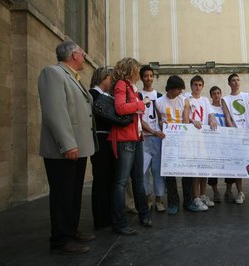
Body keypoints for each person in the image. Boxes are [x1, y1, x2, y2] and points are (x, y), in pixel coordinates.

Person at [38, 41, 97, 255]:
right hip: (64, 149)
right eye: (82, 53)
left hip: (78, 148)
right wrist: (68, 143)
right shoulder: (53, 73)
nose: (84, 56)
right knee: (63, 195)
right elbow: (55, 112)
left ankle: (71, 231)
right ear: (73, 55)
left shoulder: (73, 76)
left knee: (73, 193)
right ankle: (61, 240)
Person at [108, 57, 152, 236]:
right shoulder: (121, 85)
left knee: (139, 180)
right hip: (125, 139)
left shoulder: (132, 88)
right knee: (120, 182)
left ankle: (144, 214)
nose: (139, 73)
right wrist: (142, 104)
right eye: (136, 69)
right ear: (130, 70)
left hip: (137, 137)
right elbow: (120, 108)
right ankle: (119, 222)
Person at [155, 75, 192, 215]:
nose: (180, 92)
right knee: (169, 174)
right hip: (167, 142)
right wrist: (161, 125)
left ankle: (188, 202)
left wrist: (184, 135)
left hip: (182, 140)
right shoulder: (159, 102)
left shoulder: (184, 101)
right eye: (178, 89)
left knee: (187, 172)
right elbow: (158, 121)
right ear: (171, 89)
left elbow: (186, 120)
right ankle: (173, 203)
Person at [221, 73, 249, 204]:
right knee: (237, 166)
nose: (236, 82)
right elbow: (228, 117)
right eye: (233, 80)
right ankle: (241, 192)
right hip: (235, 137)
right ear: (229, 83)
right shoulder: (225, 99)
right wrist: (235, 133)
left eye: (237, 80)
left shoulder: (247, 96)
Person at [187, 75, 218, 211]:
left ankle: (204, 194)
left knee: (204, 168)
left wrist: (212, 120)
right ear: (191, 86)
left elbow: (210, 114)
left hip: (205, 139)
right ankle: (196, 197)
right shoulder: (187, 99)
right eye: (195, 85)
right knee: (195, 170)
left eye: (200, 85)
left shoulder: (205, 100)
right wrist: (193, 121)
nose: (197, 87)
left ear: (202, 86)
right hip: (193, 139)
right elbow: (186, 116)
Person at [89, 67, 114, 230]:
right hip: (100, 139)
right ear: (103, 78)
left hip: (107, 139)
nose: (111, 82)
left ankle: (107, 215)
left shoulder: (104, 96)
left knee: (108, 179)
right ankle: (101, 219)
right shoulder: (93, 95)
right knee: (101, 179)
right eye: (109, 78)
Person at [139, 65, 166, 212]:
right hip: (143, 138)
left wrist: (163, 126)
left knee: (158, 170)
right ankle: (147, 198)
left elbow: (162, 117)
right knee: (144, 170)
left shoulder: (160, 96)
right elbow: (138, 119)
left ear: (153, 77)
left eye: (151, 75)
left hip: (158, 139)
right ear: (142, 77)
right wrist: (152, 131)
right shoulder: (138, 96)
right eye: (145, 76)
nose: (148, 78)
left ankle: (159, 199)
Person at [207, 86, 226, 202]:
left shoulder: (225, 108)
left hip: (225, 141)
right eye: (214, 93)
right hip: (213, 141)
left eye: (218, 93)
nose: (217, 95)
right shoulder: (209, 108)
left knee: (228, 167)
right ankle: (215, 191)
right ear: (211, 95)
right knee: (213, 168)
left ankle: (229, 190)